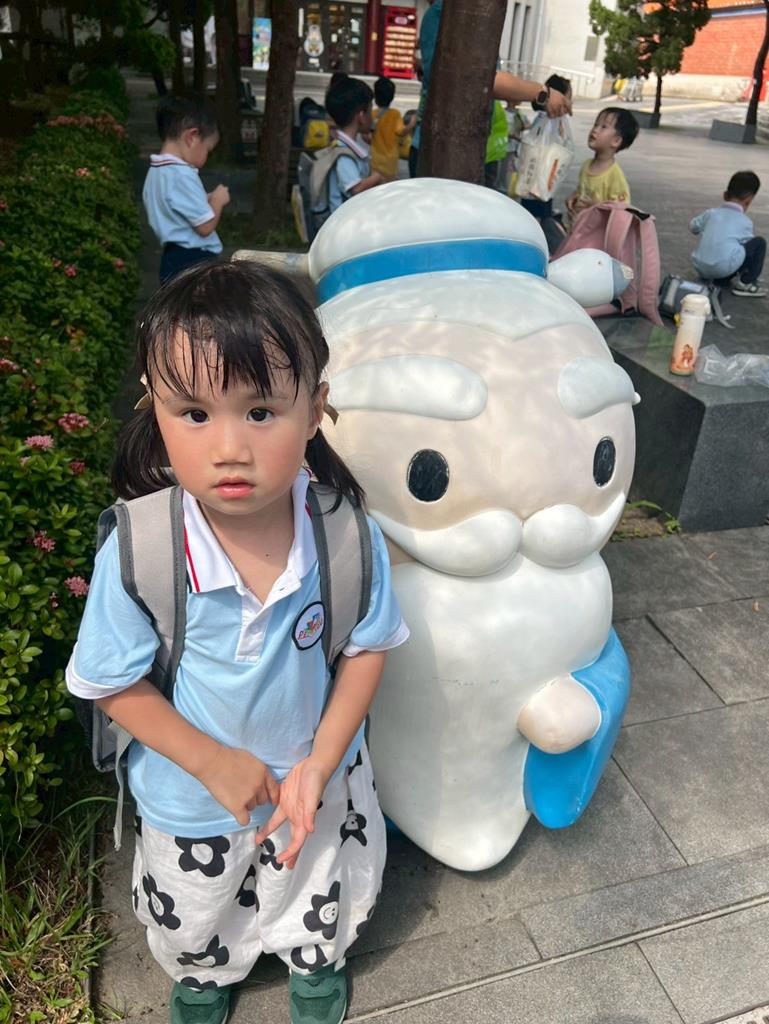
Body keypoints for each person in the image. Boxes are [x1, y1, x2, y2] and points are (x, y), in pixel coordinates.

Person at [65, 261, 409, 1024]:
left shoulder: (343, 534)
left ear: (314, 410)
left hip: (313, 782)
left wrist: (319, 762)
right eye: (194, 413)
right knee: (194, 904)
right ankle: (201, 973)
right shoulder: (143, 549)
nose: (228, 447)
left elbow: (367, 647)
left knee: (314, 881)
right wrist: (212, 762)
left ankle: (314, 959)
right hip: (189, 794)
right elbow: (110, 682)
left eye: (259, 412)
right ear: (154, 408)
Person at [408, 0, 571, 176]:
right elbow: (475, 81)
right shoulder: (443, 13)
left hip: (470, 149)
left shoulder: (477, 17)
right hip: (442, 153)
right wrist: (542, 94)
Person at [142, 95, 230, 286]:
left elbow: (177, 205)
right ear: (192, 137)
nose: (206, 157)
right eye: (207, 150)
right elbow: (205, 227)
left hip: (172, 257)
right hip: (193, 260)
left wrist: (205, 198)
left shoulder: (157, 171)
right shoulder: (181, 174)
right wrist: (218, 200)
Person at [690, 170, 767, 297]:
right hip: (723, 268)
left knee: (726, 248)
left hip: (701, 268)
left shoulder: (711, 213)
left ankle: (720, 277)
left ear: (725, 195)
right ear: (748, 201)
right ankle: (746, 283)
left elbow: (693, 227)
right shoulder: (745, 222)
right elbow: (747, 249)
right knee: (758, 244)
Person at [324, 76, 385, 214]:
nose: (372, 117)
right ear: (361, 116)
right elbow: (356, 189)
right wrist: (376, 177)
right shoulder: (343, 153)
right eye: (370, 110)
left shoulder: (344, 146)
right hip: (344, 222)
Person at [565, 106, 638, 220]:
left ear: (616, 141)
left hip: (599, 230)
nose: (595, 130)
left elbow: (622, 214)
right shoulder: (586, 165)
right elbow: (582, 191)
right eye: (595, 125)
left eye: (603, 127)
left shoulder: (615, 176)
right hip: (578, 226)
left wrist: (596, 207)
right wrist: (574, 197)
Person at [518, 74, 572, 223]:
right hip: (540, 182)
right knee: (537, 218)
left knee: (530, 216)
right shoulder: (551, 121)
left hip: (534, 182)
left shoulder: (542, 119)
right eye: (568, 98)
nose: (569, 103)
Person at [371, 76, 414, 181]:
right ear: (392, 97)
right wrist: (411, 124)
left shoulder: (373, 114)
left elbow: (366, 134)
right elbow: (401, 131)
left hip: (375, 161)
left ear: (375, 97)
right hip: (390, 162)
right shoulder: (395, 114)